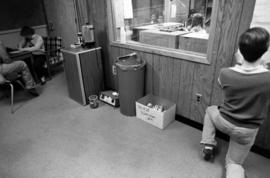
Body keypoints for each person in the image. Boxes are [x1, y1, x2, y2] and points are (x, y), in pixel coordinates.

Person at [200, 27, 270, 178]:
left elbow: (222, 85)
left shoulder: (226, 73)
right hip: (247, 131)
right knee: (234, 163)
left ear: (240, 50)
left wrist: (239, 64)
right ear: (265, 51)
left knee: (210, 110)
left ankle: (208, 143)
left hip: (224, 121)